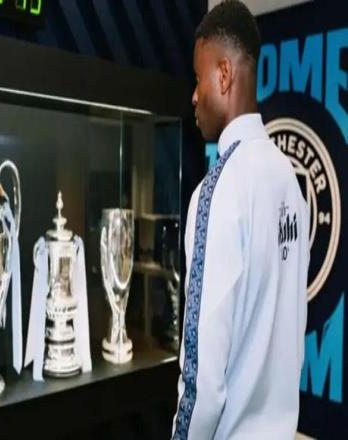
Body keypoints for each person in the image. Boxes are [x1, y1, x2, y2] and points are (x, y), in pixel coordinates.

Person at [172, 1, 309, 439]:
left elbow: (202, 379)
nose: (195, 96)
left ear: (224, 75)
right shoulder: (290, 181)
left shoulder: (216, 193)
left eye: (198, 79)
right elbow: (292, 336)